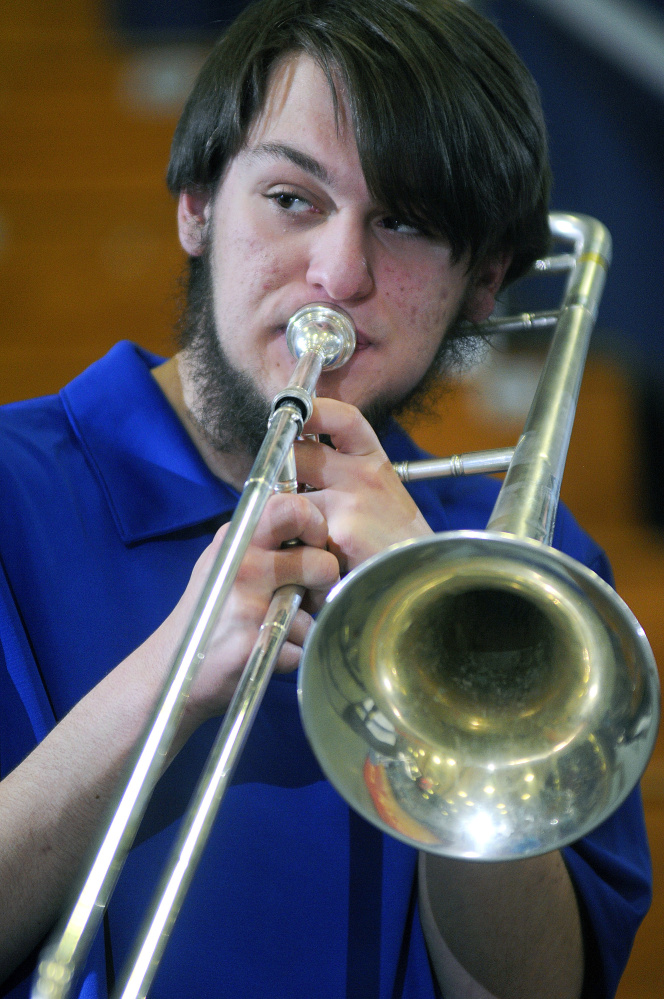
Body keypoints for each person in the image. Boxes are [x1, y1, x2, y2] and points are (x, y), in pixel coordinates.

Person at [0, 1, 652, 997]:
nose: (338, 275)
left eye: (404, 223)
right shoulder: (13, 484)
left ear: (482, 288)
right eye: (292, 200)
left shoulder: (524, 564)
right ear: (196, 207)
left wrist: (448, 644)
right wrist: (165, 679)